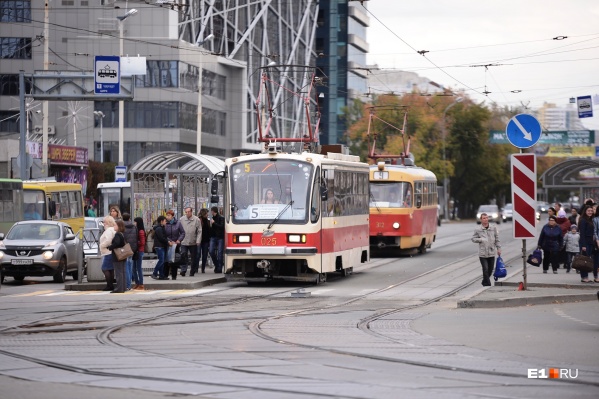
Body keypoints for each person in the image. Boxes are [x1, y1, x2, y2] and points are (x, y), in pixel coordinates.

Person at [471, 213, 501, 286]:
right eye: (484, 218)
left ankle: (484, 281)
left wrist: (498, 248)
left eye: (487, 218)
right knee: (485, 269)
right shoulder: (478, 229)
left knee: (490, 269)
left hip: (491, 252)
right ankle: (487, 284)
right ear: (481, 219)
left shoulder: (493, 228)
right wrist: (481, 239)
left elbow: (497, 239)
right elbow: (473, 239)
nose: (486, 219)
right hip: (482, 253)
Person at [179, 207, 201, 276]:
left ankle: (192, 271)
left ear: (191, 212)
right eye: (186, 212)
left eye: (188, 212)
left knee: (193, 257)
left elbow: (199, 231)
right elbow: (179, 229)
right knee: (183, 255)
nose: (187, 213)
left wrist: (198, 240)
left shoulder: (196, 219)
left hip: (193, 241)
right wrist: (179, 239)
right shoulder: (182, 219)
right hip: (184, 241)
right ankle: (183, 270)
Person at [164, 210, 185, 280]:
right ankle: (165, 275)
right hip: (168, 244)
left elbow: (182, 233)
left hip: (176, 244)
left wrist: (179, 240)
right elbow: (163, 234)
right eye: (167, 215)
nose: (167, 217)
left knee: (174, 260)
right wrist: (169, 241)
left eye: (169, 215)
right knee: (166, 260)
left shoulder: (178, 223)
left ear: (172, 216)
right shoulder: (165, 224)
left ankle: (174, 275)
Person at [107, 220, 127, 293]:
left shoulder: (117, 234)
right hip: (123, 255)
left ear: (119, 226)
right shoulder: (122, 234)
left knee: (119, 273)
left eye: (115, 225)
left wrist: (110, 247)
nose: (113, 226)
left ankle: (119, 288)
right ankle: (123, 287)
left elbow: (117, 243)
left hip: (118, 255)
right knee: (123, 272)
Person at [578, 205, 595, 283]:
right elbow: (582, 234)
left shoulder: (590, 220)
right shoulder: (583, 220)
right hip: (585, 243)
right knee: (584, 261)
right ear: (585, 211)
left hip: (590, 242)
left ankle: (585, 276)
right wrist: (584, 245)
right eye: (588, 211)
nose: (590, 212)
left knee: (587, 260)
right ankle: (584, 277)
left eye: (591, 211)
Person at [99, 216, 117, 291]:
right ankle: (110, 284)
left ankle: (109, 285)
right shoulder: (113, 229)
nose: (103, 224)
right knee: (111, 269)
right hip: (111, 252)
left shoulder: (108, 230)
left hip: (107, 252)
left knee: (105, 268)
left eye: (104, 222)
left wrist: (102, 245)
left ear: (108, 223)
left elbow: (108, 240)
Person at [122, 213, 138, 290]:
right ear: (129, 218)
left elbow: (122, 238)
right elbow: (136, 237)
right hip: (132, 248)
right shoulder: (134, 226)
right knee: (129, 266)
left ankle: (127, 285)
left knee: (126, 267)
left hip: (125, 248)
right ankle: (129, 284)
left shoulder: (122, 227)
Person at [152, 216, 169, 280]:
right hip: (159, 246)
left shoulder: (161, 228)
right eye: (165, 221)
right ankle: (154, 273)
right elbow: (161, 238)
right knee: (161, 260)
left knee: (162, 261)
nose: (166, 222)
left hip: (162, 246)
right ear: (161, 221)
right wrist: (168, 242)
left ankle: (161, 275)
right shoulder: (159, 228)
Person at [209, 206, 225, 273]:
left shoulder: (221, 218)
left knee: (220, 253)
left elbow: (221, 227)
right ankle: (217, 265)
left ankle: (219, 268)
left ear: (213, 211)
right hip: (213, 236)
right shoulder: (213, 218)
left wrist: (213, 223)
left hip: (220, 237)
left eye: (211, 211)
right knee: (211, 251)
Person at [133, 217, 146, 290]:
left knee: (138, 268)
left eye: (135, 222)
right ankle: (137, 283)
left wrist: (136, 243)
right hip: (136, 251)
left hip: (139, 251)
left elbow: (142, 242)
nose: (134, 223)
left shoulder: (141, 231)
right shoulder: (136, 230)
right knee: (134, 268)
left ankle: (141, 284)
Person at [198, 208, 211, 273]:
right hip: (200, 240)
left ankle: (203, 268)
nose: (207, 215)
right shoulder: (199, 220)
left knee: (204, 254)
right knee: (198, 254)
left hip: (205, 240)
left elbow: (209, 231)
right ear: (204, 214)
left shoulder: (207, 221)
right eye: (206, 213)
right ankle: (197, 268)